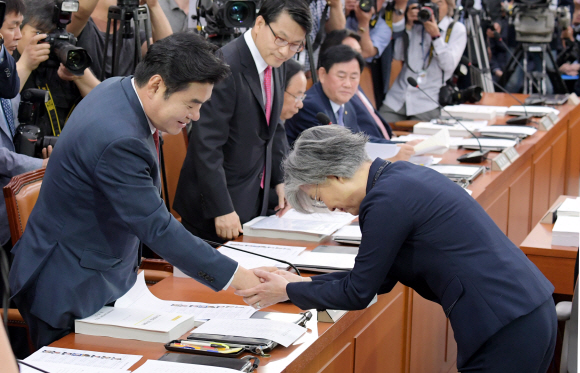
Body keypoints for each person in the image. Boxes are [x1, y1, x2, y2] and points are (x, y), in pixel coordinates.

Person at [9, 33, 263, 349]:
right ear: (156, 85)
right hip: (68, 289)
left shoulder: (118, 88)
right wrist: (240, 279)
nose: (195, 116)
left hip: (94, 272)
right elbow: (156, 227)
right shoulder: (120, 139)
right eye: (191, 103)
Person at [237, 125, 558, 373]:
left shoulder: (384, 201)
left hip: (504, 327)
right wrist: (297, 285)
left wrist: (291, 291)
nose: (330, 208)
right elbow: (379, 279)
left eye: (320, 197)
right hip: (527, 312)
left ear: (332, 174)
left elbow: (358, 293)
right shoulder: (397, 179)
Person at [173, 0, 313, 243]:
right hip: (216, 208)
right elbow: (206, 144)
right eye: (281, 39)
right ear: (259, 23)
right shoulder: (225, 65)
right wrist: (221, 208)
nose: (285, 51)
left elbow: (274, 126)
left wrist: (281, 179)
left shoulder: (275, 60)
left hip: (253, 199)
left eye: (295, 45)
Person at [285, 45, 415, 162]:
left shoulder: (347, 104)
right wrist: (389, 159)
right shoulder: (311, 108)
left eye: (353, 77)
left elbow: (359, 142)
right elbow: (335, 157)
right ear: (323, 74)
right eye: (341, 76)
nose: (347, 84)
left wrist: (401, 146)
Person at [0, 0, 50, 254]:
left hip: (7, 221)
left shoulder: (5, 71)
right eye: (13, 26)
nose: (18, 35)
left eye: (22, 26)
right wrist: (39, 167)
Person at [14, 0, 100, 137]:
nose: (47, 42)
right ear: (18, 29)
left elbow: (105, 104)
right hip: (18, 154)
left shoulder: (62, 62)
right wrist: (26, 65)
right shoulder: (8, 62)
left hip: (61, 151)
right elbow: (4, 100)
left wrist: (79, 72)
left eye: (52, 35)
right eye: (40, 34)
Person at [379, 0, 466, 121]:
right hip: (398, 97)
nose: (434, 7)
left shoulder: (456, 29)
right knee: (378, 129)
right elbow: (398, 56)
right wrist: (408, 26)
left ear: (449, 6)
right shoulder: (416, 24)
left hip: (427, 101)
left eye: (439, 3)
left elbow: (449, 66)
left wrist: (436, 36)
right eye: (430, 3)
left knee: (420, 136)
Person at [318, 30, 395, 141]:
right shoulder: (332, 98)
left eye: (359, 52)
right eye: (350, 52)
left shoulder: (352, 91)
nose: (355, 57)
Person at [68, 0, 173, 80]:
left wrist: (154, 6)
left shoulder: (134, 34)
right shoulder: (82, 27)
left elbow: (169, 53)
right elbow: (81, 13)